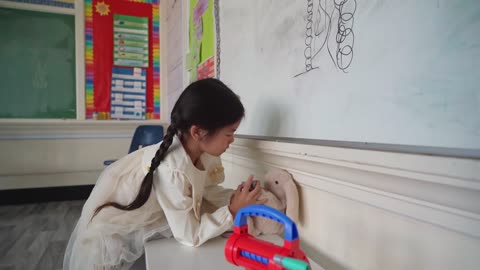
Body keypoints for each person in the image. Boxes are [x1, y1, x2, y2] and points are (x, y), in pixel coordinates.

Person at [63, 78, 267, 270]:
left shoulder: (204, 150)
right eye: (229, 134)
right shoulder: (173, 169)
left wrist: (235, 196)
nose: (232, 141)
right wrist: (232, 210)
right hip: (112, 229)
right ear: (198, 132)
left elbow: (206, 191)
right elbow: (190, 236)